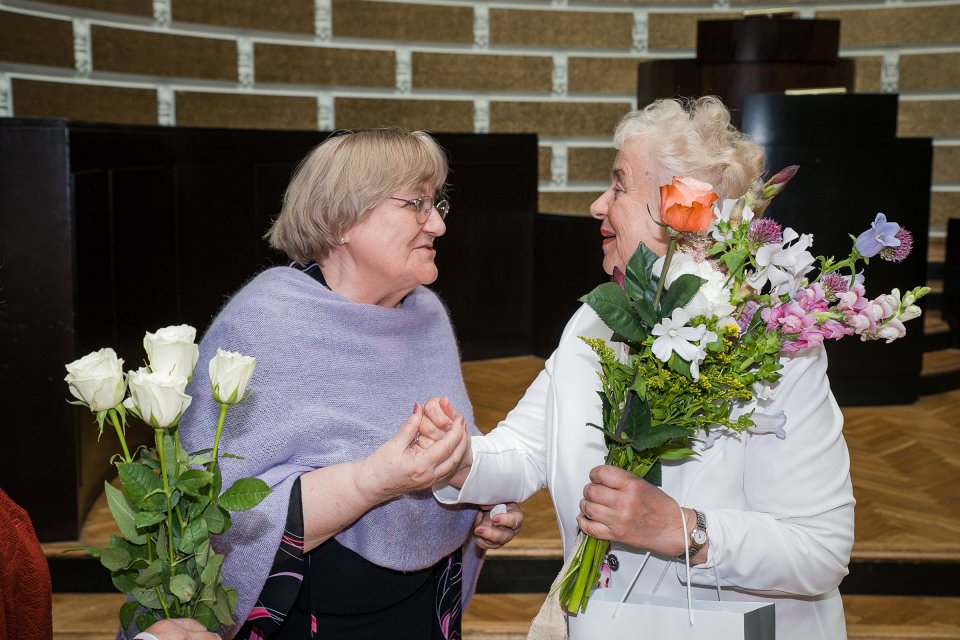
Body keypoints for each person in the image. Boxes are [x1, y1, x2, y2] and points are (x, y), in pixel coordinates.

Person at [425, 97, 855, 640]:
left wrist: (685, 530)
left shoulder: (776, 348)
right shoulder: (595, 319)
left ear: (684, 210)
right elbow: (526, 448)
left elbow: (820, 551)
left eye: (620, 185)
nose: (597, 205)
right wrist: (456, 460)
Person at [174, 128, 523, 640]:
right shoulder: (266, 322)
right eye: (417, 204)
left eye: (438, 203)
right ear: (343, 219)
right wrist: (373, 478)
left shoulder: (427, 315)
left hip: (421, 614)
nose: (439, 224)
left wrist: (479, 497)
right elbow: (222, 509)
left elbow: (453, 452)